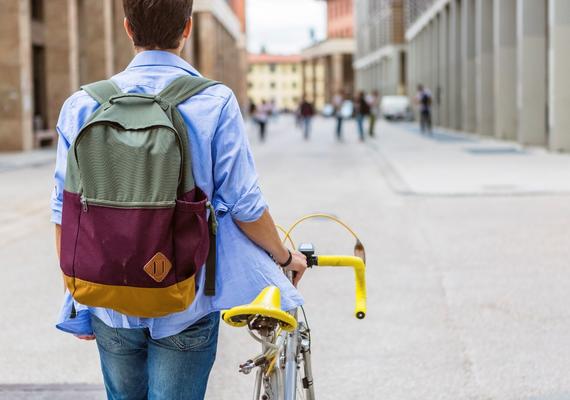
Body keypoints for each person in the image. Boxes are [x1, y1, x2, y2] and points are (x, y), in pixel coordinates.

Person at [50, 1, 308, 399]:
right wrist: (284, 256)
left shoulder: (81, 105)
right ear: (187, 28)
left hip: (107, 298)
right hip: (184, 298)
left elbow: (62, 210)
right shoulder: (214, 102)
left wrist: (79, 290)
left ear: (127, 28)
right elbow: (244, 204)